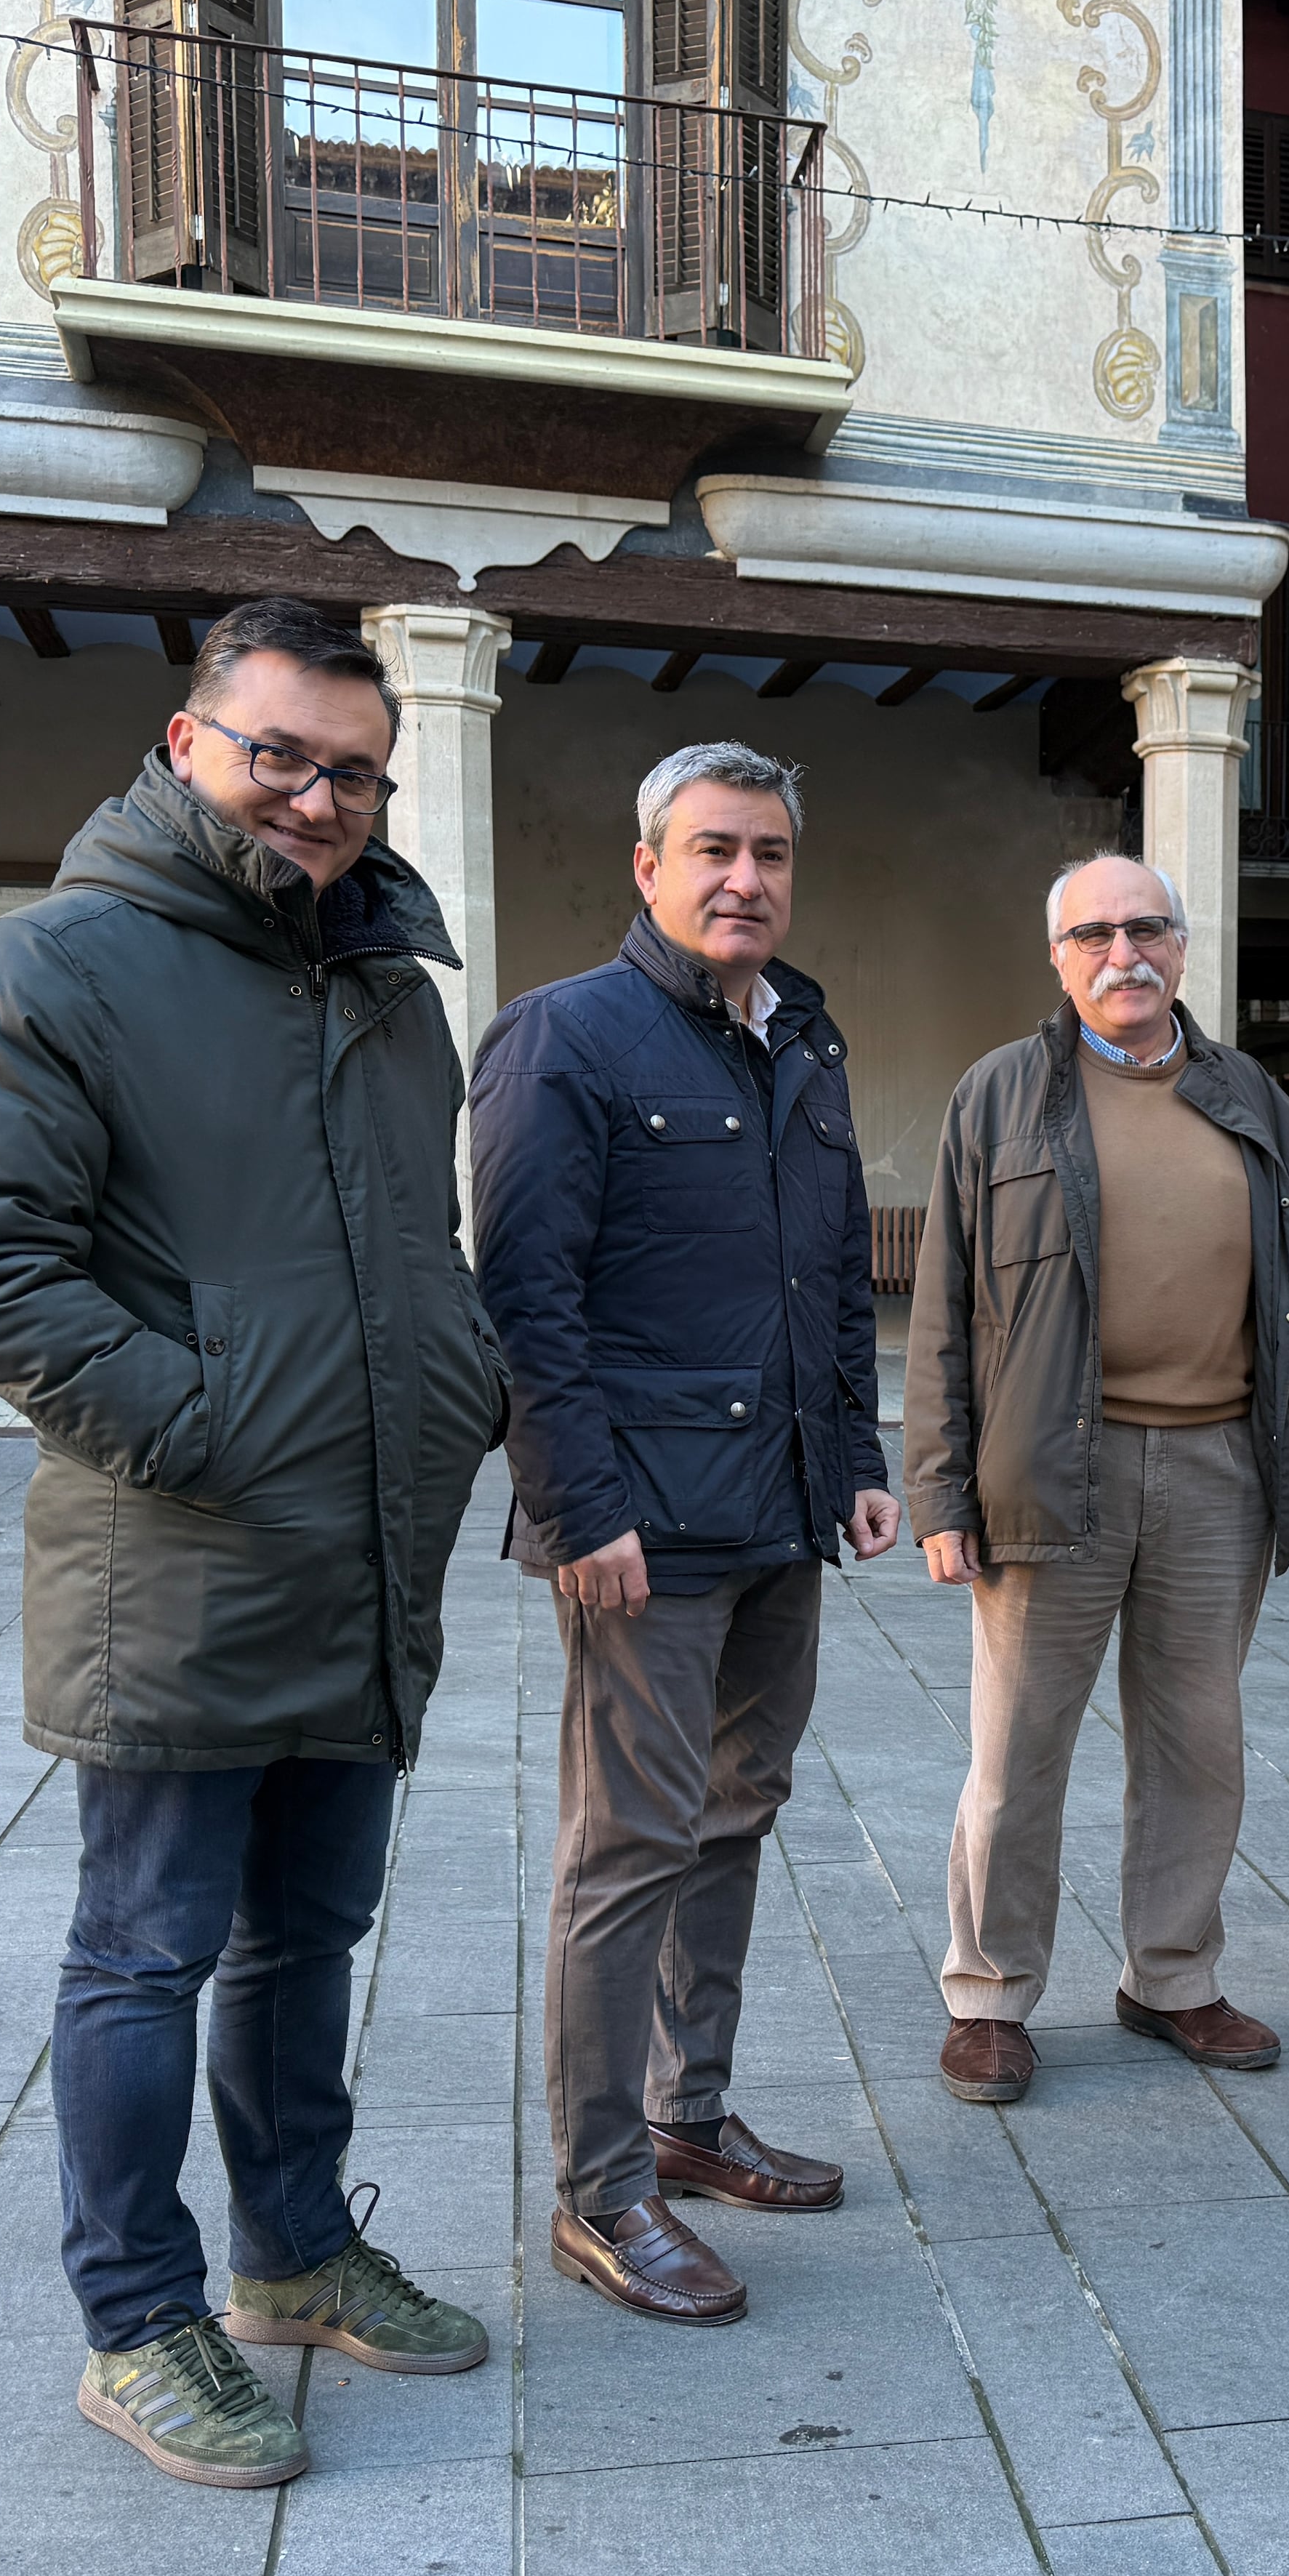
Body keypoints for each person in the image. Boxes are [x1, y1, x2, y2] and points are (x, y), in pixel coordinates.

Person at [0, 595, 507, 2489]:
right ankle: (137, 2316)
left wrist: (459, 1385)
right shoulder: (54, 972)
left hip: (363, 1550)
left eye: (355, 769)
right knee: (144, 1949)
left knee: (311, 1930)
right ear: (187, 742)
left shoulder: (392, 992)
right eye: (282, 755)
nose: (320, 798)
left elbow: (417, 1253)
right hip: (178, 1552)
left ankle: (298, 2248)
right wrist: (218, 1423)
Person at [470, 739, 898, 2330]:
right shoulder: (562, 1040)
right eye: (714, 848)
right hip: (639, 1527)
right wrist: (577, 1509)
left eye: (771, 853)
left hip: (780, 1505)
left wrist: (853, 1452)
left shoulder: (804, 1034)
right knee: (629, 1844)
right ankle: (600, 2195)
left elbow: (831, 1270)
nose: (746, 879)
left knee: (736, 1815)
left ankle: (689, 2121)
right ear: (645, 865)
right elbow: (526, 1299)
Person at [908, 852, 1289, 2104]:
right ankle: (990, 1995)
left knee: (1198, 1739)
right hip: (1052, 1468)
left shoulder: (1251, 1094)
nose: (1122, 954)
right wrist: (941, 1492)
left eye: (1145, 928)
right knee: (1018, 1746)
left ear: (1182, 946)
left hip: (1221, 1469)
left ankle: (1173, 1976)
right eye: (1092, 934)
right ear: (1059, 957)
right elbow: (942, 1306)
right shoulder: (1000, 1097)